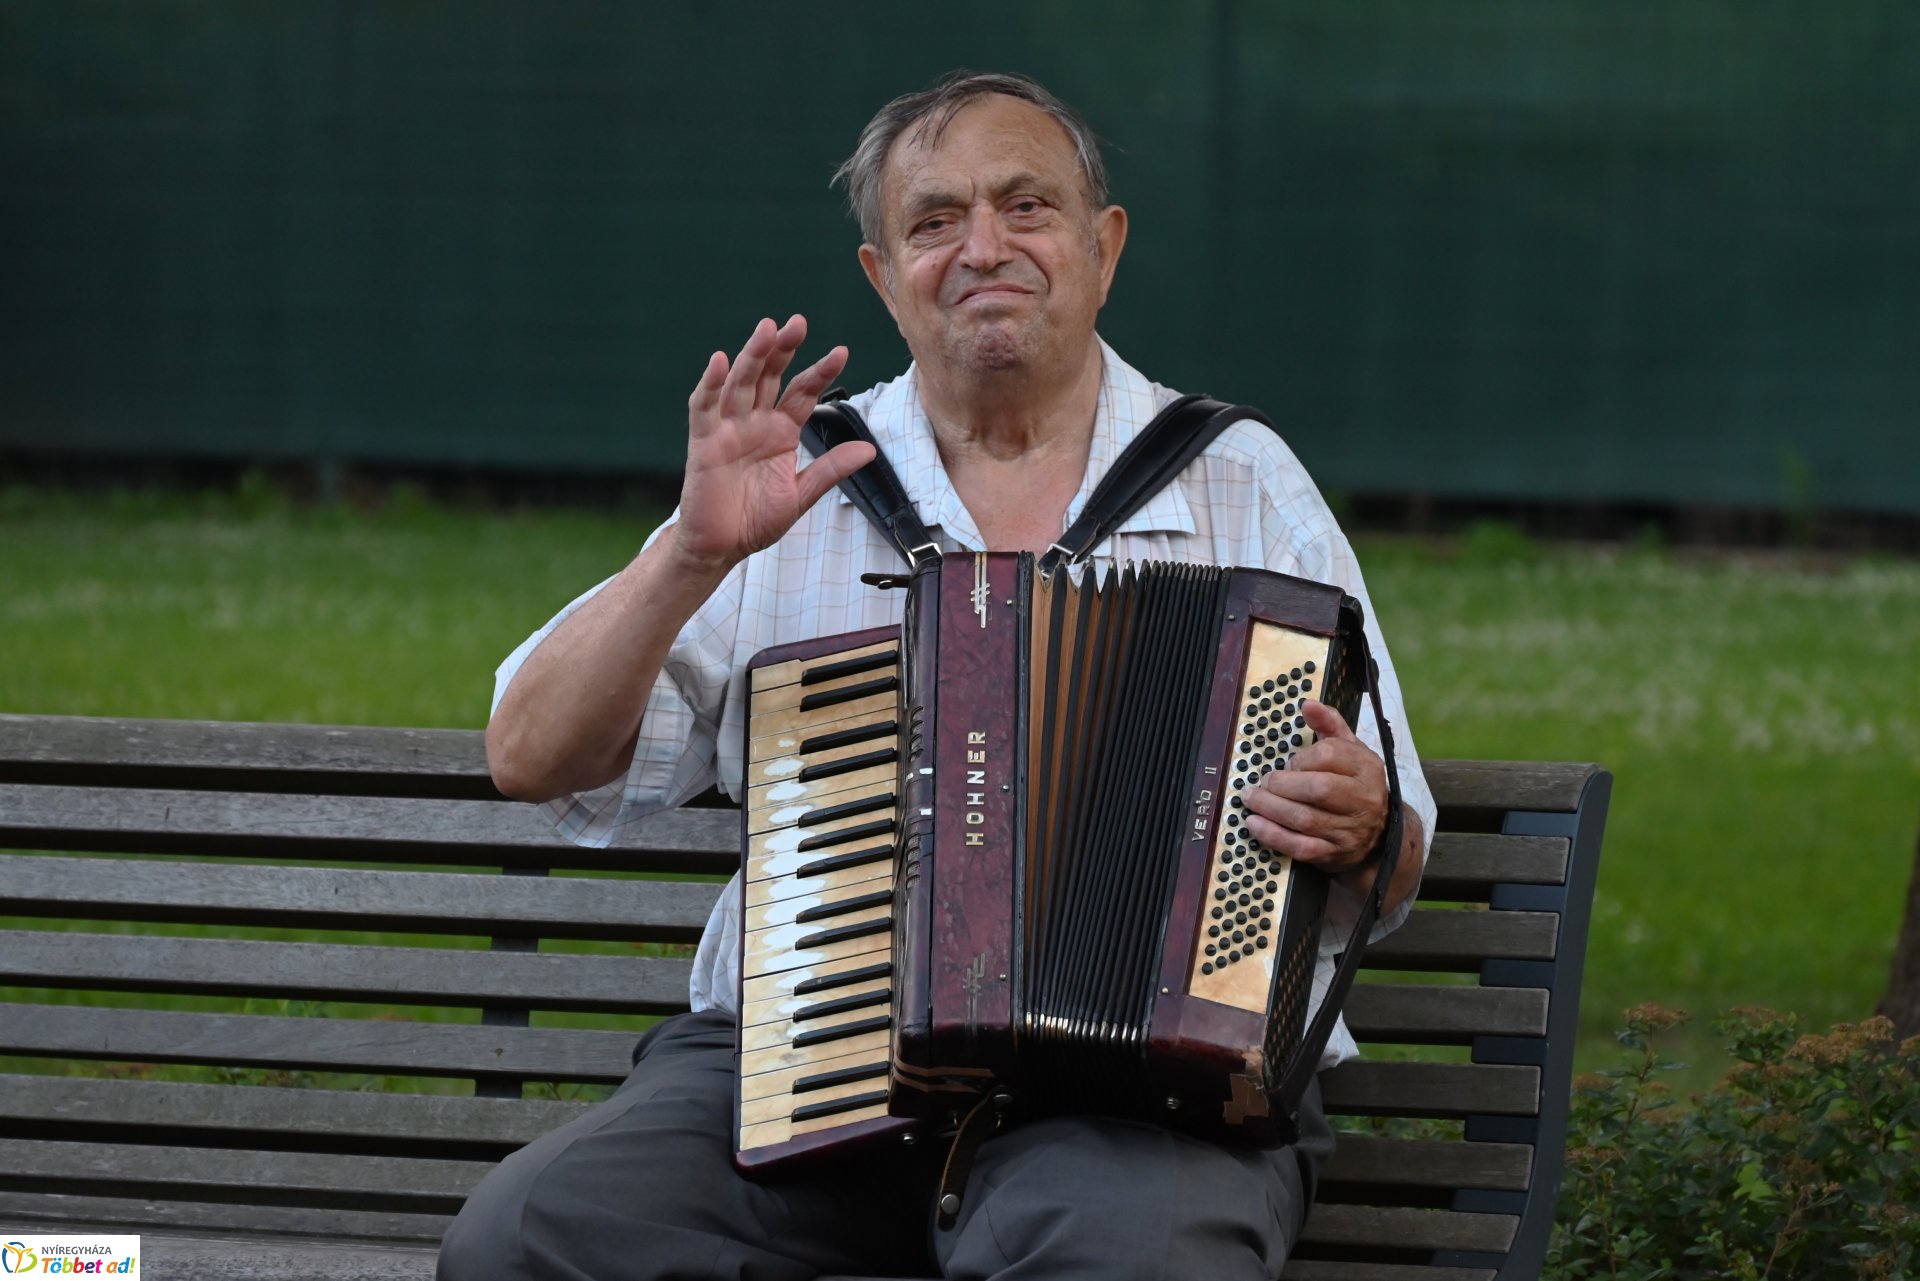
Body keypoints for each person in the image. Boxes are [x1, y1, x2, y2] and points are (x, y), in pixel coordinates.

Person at [440, 70, 1434, 1281]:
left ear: (1102, 246)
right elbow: (532, 758)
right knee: (530, 1238)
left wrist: (1361, 815)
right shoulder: (794, 483)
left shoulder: (1240, 476)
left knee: (1128, 1261)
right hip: (803, 1068)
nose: (983, 248)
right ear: (880, 273)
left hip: (1148, 1095)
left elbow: (1394, 833)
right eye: (933, 221)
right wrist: (690, 556)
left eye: (1028, 207)